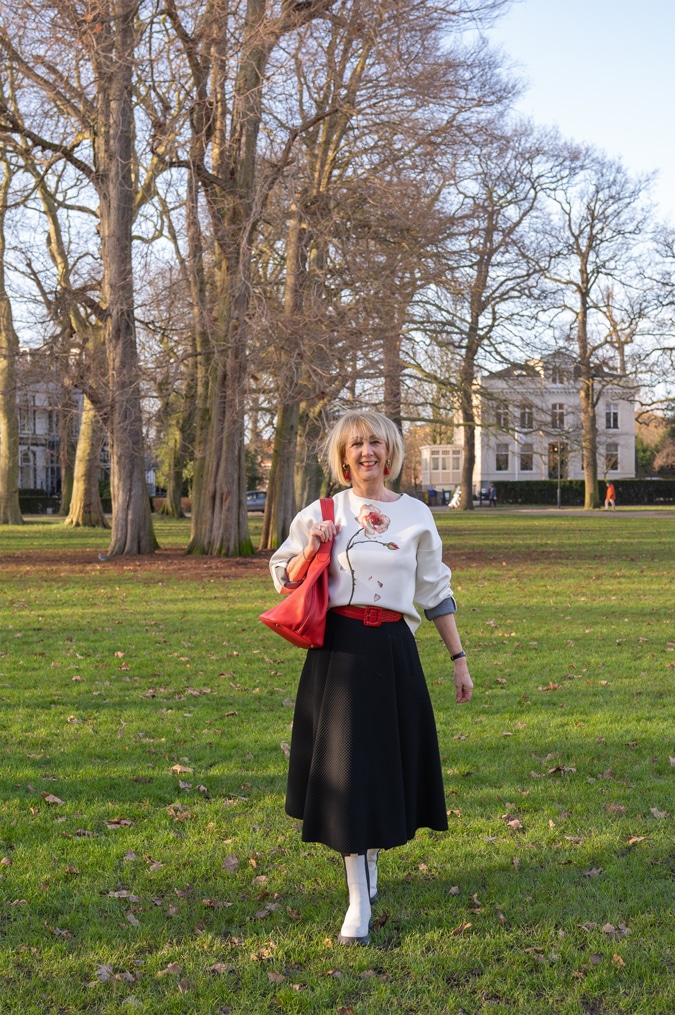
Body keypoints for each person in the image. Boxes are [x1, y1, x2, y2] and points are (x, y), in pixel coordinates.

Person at [269, 410, 473, 946]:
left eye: (376, 443)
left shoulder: (416, 515)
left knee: (382, 766)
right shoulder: (322, 510)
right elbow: (281, 575)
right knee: (350, 773)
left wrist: (458, 658)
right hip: (340, 653)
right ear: (343, 455)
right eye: (357, 443)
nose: (367, 452)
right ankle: (358, 899)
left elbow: (434, 591)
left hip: (393, 651)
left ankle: (371, 862)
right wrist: (314, 545)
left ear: (391, 452)